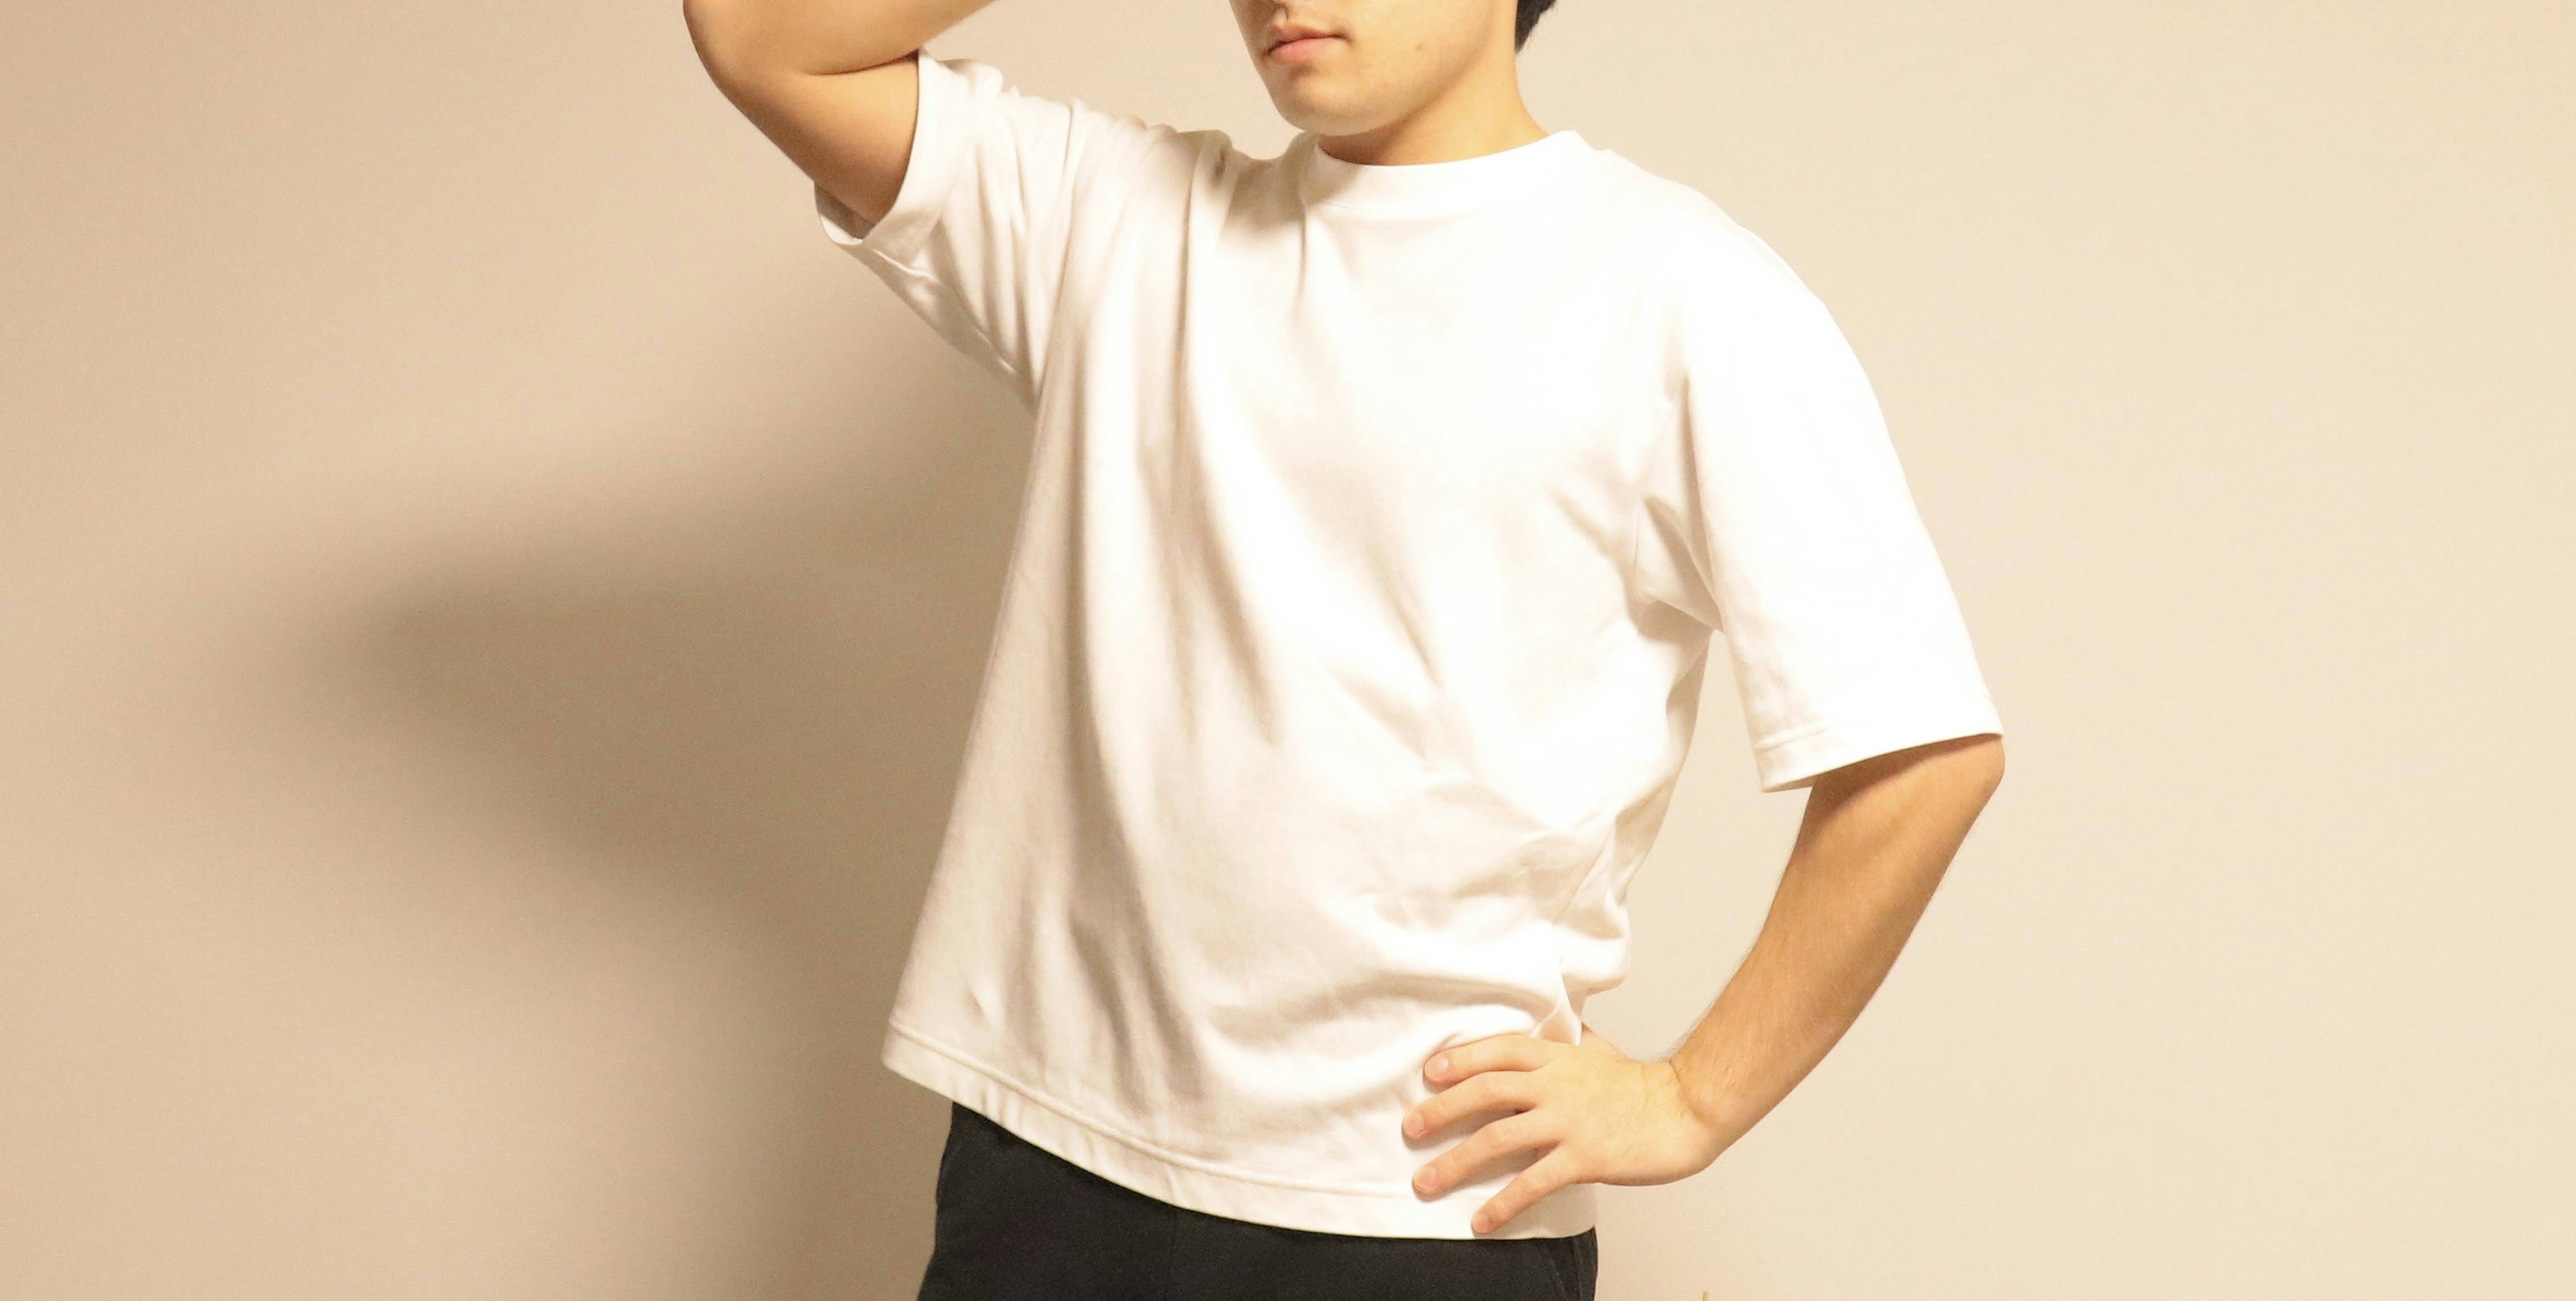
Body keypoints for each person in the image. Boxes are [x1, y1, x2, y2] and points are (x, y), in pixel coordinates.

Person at [684, 0, 2007, 1295]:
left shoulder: (1681, 290)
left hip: (1413, 1204)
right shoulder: (1121, 221)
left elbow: (1924, 756)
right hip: (1049, 1165)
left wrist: (1693, 1098)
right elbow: (758, 33)